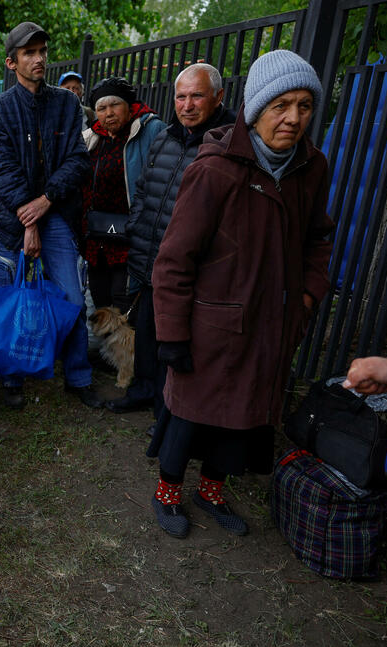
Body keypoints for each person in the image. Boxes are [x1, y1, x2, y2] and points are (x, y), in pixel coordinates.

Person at [148, 50, 333, 539]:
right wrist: (172, 334)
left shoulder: (313, 168)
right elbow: (174, 258)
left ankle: (212, 490)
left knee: (240, 420)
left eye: (304, 106)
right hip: (213, 323)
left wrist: (308, 296)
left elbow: (319, 239)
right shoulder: (216, 170)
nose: (293, 118)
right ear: (254, 109)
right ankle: (167, 492)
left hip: (272, 323)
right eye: (280, 106)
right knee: (190, 415)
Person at [0, 21, 97, 410]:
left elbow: (77, 162)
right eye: (30, 53)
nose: (39, 59)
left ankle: (77, 375)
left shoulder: (66, 104)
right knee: (13, 295)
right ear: (12, 62)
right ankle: (12, 377)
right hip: (14, 219)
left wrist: (46, 201)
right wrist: (28, 221)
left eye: (43, 51)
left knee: (72, 298)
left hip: (56, 211)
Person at [107, 63, 235, 417]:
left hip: (190, 268)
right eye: (181, 96)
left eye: (197, 96)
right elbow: (146, 188)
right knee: (147, 332)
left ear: (219, 97)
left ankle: (168, 411)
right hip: (151, 257)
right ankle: (142, 391)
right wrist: (137, 227)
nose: (187, 105)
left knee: (175, 341)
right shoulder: (165, 136)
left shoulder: (228, 143)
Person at [81, 77, 165, 314]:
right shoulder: (91, 137)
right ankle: (107, 351)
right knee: (101, 303)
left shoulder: (151, 130)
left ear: (129, 106)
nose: (109, 113)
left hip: (131, 238)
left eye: (115, 105)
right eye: (101, 108)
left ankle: (125, 351)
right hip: (97, 239)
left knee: (125, 304)